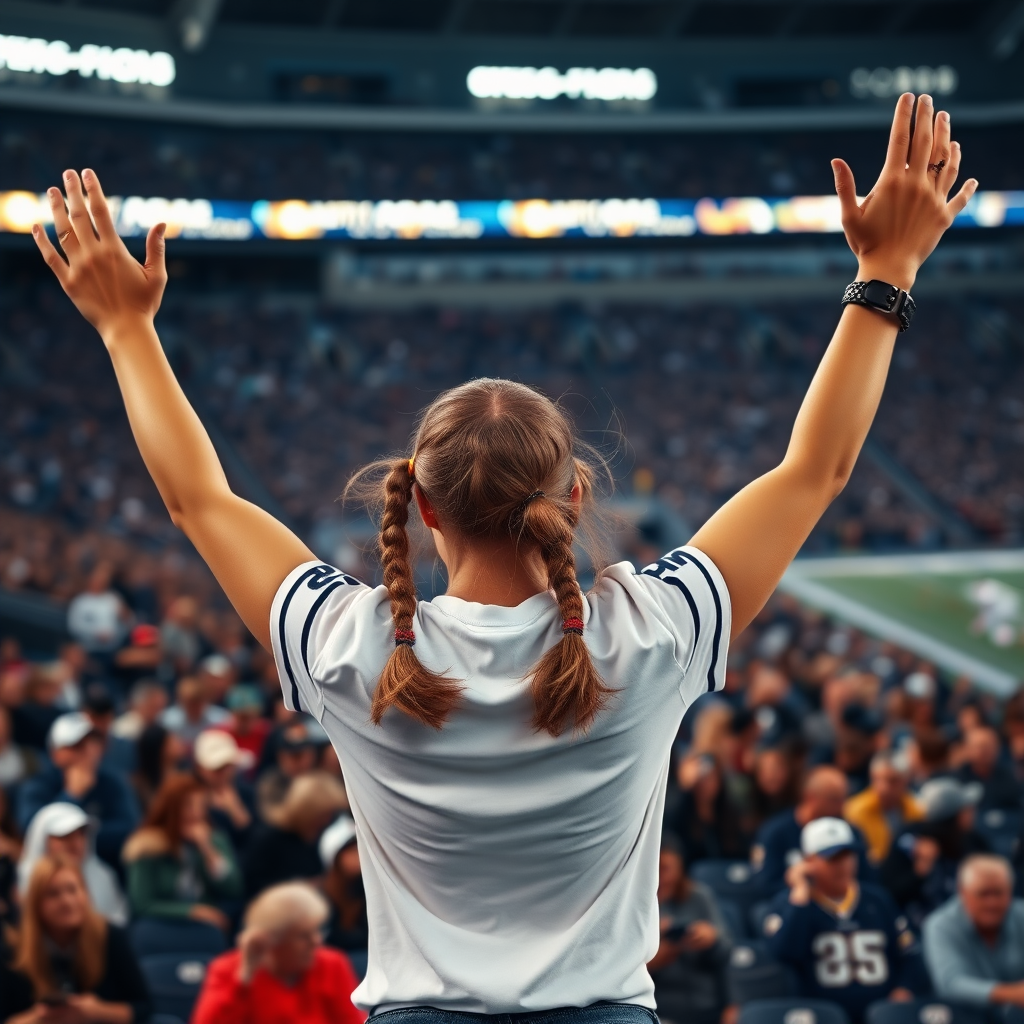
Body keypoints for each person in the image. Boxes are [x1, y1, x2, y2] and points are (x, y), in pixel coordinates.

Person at [35, 96, 976, 1019]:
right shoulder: (651, 633)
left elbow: (196, 499)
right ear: (574, 497)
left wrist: (126, 329)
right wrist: (887, 267)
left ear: (423, 504)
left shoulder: (349, 646)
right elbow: (817, 470)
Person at [767, 818, 921, 1023]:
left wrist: (905, 989)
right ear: (808, 862)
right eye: (832, 858)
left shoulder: (877, 900)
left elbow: (910, 953)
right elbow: (785, 953)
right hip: (821, 1017)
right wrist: (801, 894)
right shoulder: (791, 905)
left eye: (848, 855)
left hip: (881, 1015)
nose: (843, 865)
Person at [0, 855, 151, 1023]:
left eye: (73, 889)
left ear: (86, 893)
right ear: (36, 903)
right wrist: (39, 1016)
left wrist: (97, 1011)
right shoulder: (14, 949)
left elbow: (144, 1009)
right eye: (53, 894)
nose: (67, 901)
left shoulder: (110, 936)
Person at [191, 881, 363, 1024]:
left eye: (317, 931)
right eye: (304, 935)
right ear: (273, 940)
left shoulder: (332, 964)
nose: (316, 942)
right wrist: (244, 978)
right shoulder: (228, 969)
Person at [17, 712, 140, 866]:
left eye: (92, 743)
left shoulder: (112, 782)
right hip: (52, 871)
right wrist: (71, 795)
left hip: (106, 869)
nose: (87, 751)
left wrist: (81, 836)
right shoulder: (37, 786)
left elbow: (129, 829)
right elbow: (34, 834)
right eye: (76, 746)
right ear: (55, 753)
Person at [122, 773, 242, 931]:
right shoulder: (146, 847)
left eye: (201, 805)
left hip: (207, 925)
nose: (196, 813)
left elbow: (234, 890)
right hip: (162, 926)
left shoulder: (214, 840)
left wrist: (208, 851)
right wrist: (192, 911)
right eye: (188, 805)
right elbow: (141, 905)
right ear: (172, 809)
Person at [881, 776, 990, 926]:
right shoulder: (910, 840)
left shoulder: (973, 841)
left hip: (969, 925)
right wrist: (920, 871)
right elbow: (889, 895)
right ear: (956, 816)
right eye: (967, 809)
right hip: (918, 929)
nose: (972, 812)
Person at [922, 854, 1024, 1009]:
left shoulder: (1020, 914)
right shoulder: (940, 925)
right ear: (963, 892)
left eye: (998, 893)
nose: (992, 903)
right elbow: (950, 984)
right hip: (966, 1016)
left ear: (1010, 891)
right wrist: (1011, 994)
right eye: (983, 894)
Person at [648, 839, 732, 1024]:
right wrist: (650, 963)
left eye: (670, 868)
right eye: (660, 868)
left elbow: (725, 954)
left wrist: (712, 939)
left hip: (706, 1003)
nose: (666, 877)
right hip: (659, 1007)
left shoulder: (699, 897)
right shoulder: (639, 903)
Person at [753, 765, 871, 892]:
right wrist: (799, 885)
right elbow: (764, 885)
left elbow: (869, 881)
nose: (842, 807)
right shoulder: (775, 833)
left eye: (844, 799)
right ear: (810, 798)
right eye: (834, 799)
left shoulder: (850, 833)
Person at [19, 802, 129, 926]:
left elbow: (118, 922)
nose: (75, 843)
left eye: (81, 834)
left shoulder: (104, 875)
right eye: (65, 836)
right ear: (41, 840)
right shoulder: (19, 880)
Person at [244, 772, 348, 898]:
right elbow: (253, 886)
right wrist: (302, 887)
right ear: (306, 811)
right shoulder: (267, 838)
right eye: (323, 815)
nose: (327, 820)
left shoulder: (319, 834)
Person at [844, 752, 924, 864]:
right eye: (877, 780)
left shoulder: (916, 809)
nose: (884, 788)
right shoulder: (855, 811)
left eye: (893, 781)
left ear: (906, 781)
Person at [193, 728, 256, 854]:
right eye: (217, 768)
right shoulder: (190, 799)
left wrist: (238, 814)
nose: (224, 773)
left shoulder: (248, 793)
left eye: (228, 766)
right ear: (200, 769)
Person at [319, 814, 369, 954]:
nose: (360, 854)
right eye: (352, 849)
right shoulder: (321, 896)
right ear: (335, 858)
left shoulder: (372, 890)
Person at [255, 718, 317, 819]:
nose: (299, 762)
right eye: (294, 756)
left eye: (302, 755)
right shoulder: (271, 785)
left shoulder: (321, 782)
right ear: (281, 757)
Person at [956, 726, 1021, 812]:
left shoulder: (1011, 777)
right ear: (968, 749)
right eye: (980, 746)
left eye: (990, 746)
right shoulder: (956, 780)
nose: (985, 751)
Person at [159, 675, 231, 749]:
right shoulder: (167, 722)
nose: (194, 708)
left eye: (197, 703)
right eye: (189, 703)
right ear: (181, 701)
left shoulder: (221, 720)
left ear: (206, 700)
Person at [133, 722, 189, 811]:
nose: (179, 743)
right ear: (160, 749)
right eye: (172, 741)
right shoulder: (140, 785)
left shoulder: (187, 776)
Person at [110, 678, 167, 743]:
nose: (160, 712)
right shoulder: (125, 728)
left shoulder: (159, 726)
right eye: (155, 707)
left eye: (162, 708)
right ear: (140, 704)